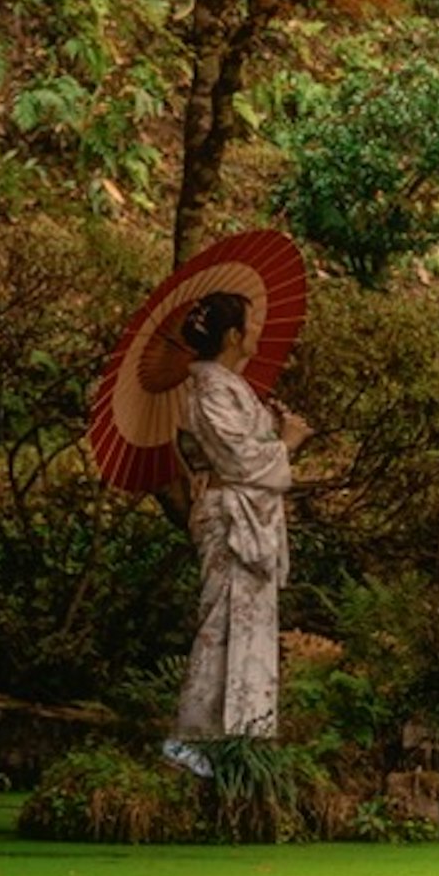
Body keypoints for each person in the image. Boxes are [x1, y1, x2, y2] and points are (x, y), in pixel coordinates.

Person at [166, 291, 305, 756]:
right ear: (232, 335)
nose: (258, 331)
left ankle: (245, 736)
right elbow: (243, 460)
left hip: (247, 514)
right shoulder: (208, 390)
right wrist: (285, 442)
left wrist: (276, 429)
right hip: (231, 517)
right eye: (252, 323)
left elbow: (249, 449)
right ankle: (198, 738)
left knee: (249, 624)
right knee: (222, 621)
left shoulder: (227, 385)